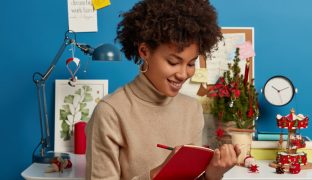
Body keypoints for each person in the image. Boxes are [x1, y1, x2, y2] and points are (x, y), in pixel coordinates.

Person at [86, 0, 241, 179]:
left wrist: (212, 175)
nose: (183, 74)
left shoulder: (191, 109)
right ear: (144, 51)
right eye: (173, 62)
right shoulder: (110, 113)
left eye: (191, 63)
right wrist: (160, 173)